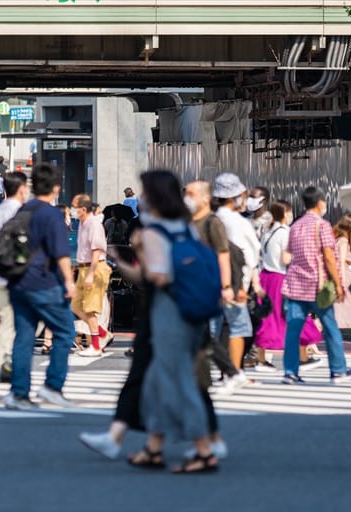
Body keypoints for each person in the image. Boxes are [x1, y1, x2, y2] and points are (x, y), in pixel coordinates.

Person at [126, 171, 219, 474]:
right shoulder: (184, 228)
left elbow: (155, 276)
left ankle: (203, 450)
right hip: (192, 310)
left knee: (179, 380)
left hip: (169, 312)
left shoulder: (153, 232)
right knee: (156, 380)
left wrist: (138, 248)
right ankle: (154, 446)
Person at [6, 163, 77, 410]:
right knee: (66, 331)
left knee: (24, 337)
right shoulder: (51, 214)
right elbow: (61, 254)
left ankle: (18, 393)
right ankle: (52, 386)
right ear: (57, 187)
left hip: (19, 283)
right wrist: (69, 281)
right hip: (45, 283)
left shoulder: (23, 210)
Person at [281, 186, 351, 385]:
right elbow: (329, 257)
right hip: (317, 287)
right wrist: (338, 284)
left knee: (293, 330)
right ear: (320, 203)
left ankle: (290, 372)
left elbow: (288, 255)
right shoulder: (322, 226)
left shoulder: (295, 226)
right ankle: (337, 370)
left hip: (295, 286)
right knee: (330, 328)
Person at [254, 201, 321, 368]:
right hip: (281, 278)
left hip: (266, 277)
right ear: (285, 214)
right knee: (296, 314)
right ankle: (303, 357)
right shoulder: (285, 233)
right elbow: (285, 259)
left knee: (268, 317)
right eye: (289, 213)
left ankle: (261, 358)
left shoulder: (268, 231)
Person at [211, 173, 260, 392]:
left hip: (219, 280)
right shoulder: (234, 221)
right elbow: (243, 255)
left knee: (222, 328)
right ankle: (234, 371)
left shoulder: (215, 217)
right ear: (233, 197)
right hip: (235, 280)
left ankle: (229, 371)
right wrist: (243, 285)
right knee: (238, 328)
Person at [0, 171, 27, 384]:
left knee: (4, 322)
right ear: (21, 189)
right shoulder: (23, 212)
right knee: (24, 322)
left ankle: (4, 362)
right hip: (21, 275)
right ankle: (15, 362)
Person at [71, 195, 111, 357]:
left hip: (94, 267)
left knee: (89, 308)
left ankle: (95, 346)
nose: (73, 210)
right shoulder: (82, 223)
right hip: (83, 268)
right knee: (76, 305)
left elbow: (96, 251)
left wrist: (91, 274)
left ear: (83, 209)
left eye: (75, 207)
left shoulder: (94, 224)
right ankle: (102, 333)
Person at [331, 214, 351, 330]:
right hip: (344, 277)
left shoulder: (337, 239)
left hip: (341, 275)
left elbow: (347, 260)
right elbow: (341, 262)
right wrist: (342, 283)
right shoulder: (344, 241)